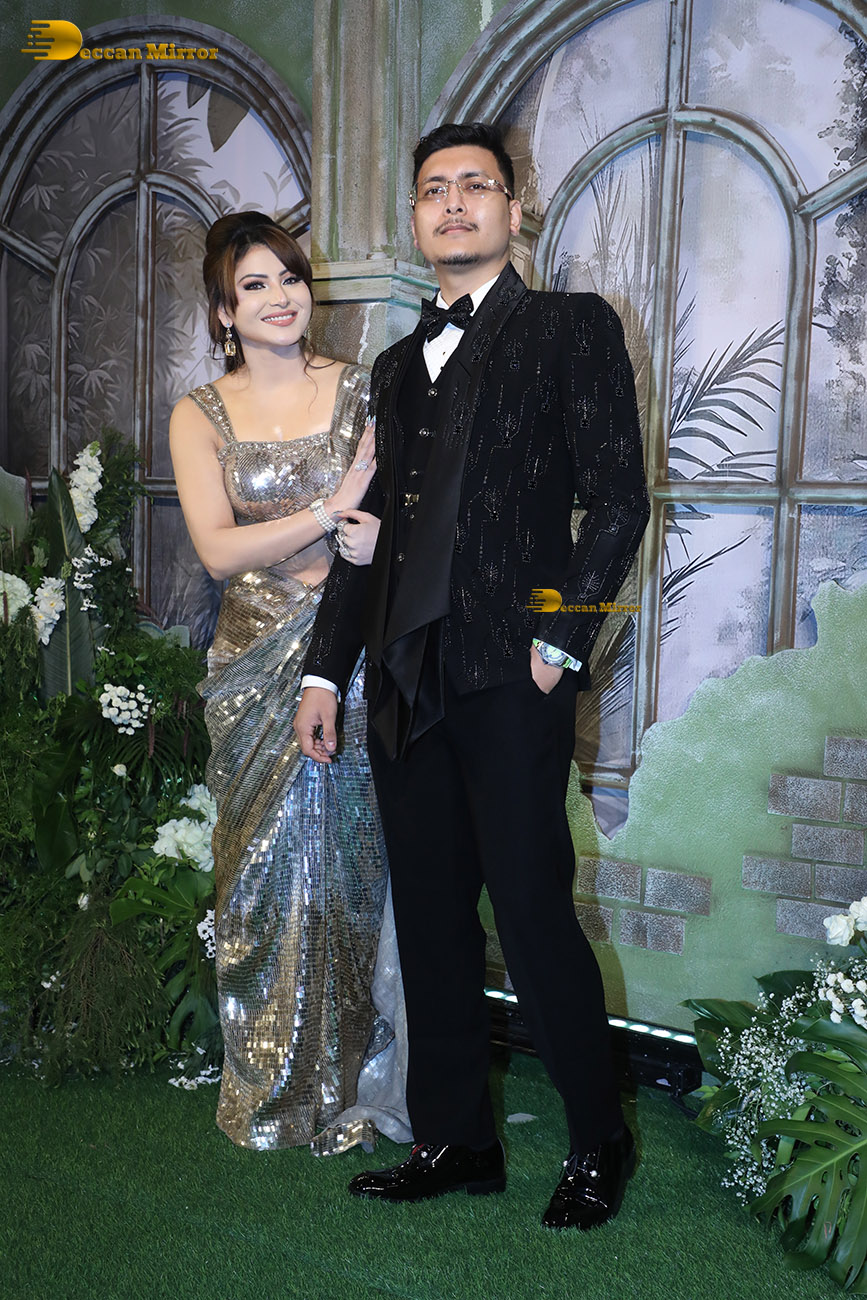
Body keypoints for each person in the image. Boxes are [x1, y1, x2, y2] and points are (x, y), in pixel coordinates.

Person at [294, 123, 650, 1227]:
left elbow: (618, 500)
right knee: (431, 917)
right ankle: (455, 1140)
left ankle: (597, 1139)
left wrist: (560, 643)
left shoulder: (570, 328)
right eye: (433, 191)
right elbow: (367, 537)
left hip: (511, 676)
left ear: (511, 208)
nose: (452, 204)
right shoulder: (395, 369)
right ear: (415, 218)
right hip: (406, 676)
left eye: (474, 187)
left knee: (533, 911)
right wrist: (323, 674)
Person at [169, 211, 410, 1154]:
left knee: (355, 870)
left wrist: (367, 529)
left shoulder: (362, 390)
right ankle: (268, 1087)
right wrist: (328, 508)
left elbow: (396, 517)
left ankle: (359, 1079)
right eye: (254, 285)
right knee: (260, 877)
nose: (279, 298)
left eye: (289, 278)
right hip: (250, 664)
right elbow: (216, 550)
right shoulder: (200, 414)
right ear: (224, 312)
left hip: (352, 656)